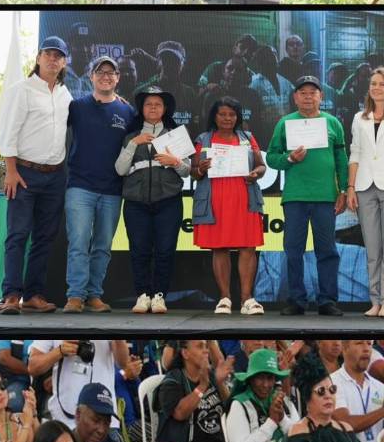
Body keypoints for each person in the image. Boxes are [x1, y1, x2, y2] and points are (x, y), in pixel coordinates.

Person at [0, 36, 72, 315]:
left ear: (64, 62)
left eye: (58, 56)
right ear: (39, 57)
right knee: (17, 234)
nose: (53, 59)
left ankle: (32, 294)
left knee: (45, 237)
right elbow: (8, 133)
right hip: (23, 172)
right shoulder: (22, 90)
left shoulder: (66, 94)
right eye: (48, 54)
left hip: (55, 175)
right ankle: (11, 295)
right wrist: (11, 171)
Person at [267, 75, 349, 316]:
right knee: (293, 250)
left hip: (326, 196)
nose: (308, 96)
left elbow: (341, 160)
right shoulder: (285, 123)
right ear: (295, 97)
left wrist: (343, 189)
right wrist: (289, 159)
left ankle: (327, 300)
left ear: (321, 97)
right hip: (295, 197)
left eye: (313, 92)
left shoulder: (333, 122)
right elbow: (272, 157)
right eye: (302, 92)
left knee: (327, 250)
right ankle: (296, 299)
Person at [63, 55, 135, 314]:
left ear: (118, 78)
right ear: (91, 76)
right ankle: (75, 296)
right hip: (80, 186)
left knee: (103, 246)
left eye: (111, 72)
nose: (106, 76)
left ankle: (94, 295)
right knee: (79, 243)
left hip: (113, 189)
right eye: (100, 71)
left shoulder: (127, 111)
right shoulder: (76, 106)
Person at [115, 87, 190, 314]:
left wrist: (174, 161)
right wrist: (133, 143)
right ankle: (142, 295)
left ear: (165, 108)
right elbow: (120, 170)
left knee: (165, 250)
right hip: (136, 202)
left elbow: (187, 171)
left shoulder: (175, 134)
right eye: (149, 104)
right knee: (139, 250)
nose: (153, 108)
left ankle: (159, 296)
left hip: (169, 200)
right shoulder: (130, 136)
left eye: (158, 104)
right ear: (142, 109)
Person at [191, 97, 266, 316]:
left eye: (232, 115)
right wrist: (202, 169)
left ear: (238, 117)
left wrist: (256, 174)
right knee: (220, 247)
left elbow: (261, 166)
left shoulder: (247, 138)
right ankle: (224, 299)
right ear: (214, 116)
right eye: (222, 114)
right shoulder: (204, 139)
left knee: (248, 247)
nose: (227, 118)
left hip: (244, 197)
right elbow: (194, 172)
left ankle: (247, 299)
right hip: (216, 199)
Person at [347, 67, 384, 315]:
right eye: (373, 83)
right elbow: (356, 153)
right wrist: (350, 187)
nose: (376, 88)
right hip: (364, 187)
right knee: (372, 248)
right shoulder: (360, 118)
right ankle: (376, 301)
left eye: (381, 84)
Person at [29, 340, 121, 430]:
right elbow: (33, 366)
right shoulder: (53, 324)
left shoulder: (109, 324)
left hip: (103, 420)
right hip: (63, 421)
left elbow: (123, 363)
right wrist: (59, 351)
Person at [331, 340, 384, 442]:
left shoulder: (380, 387)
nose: (366, 349)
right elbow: (346, 423)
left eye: (369, 344)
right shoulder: (332, 383)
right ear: (344, 348)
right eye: (360, 343)